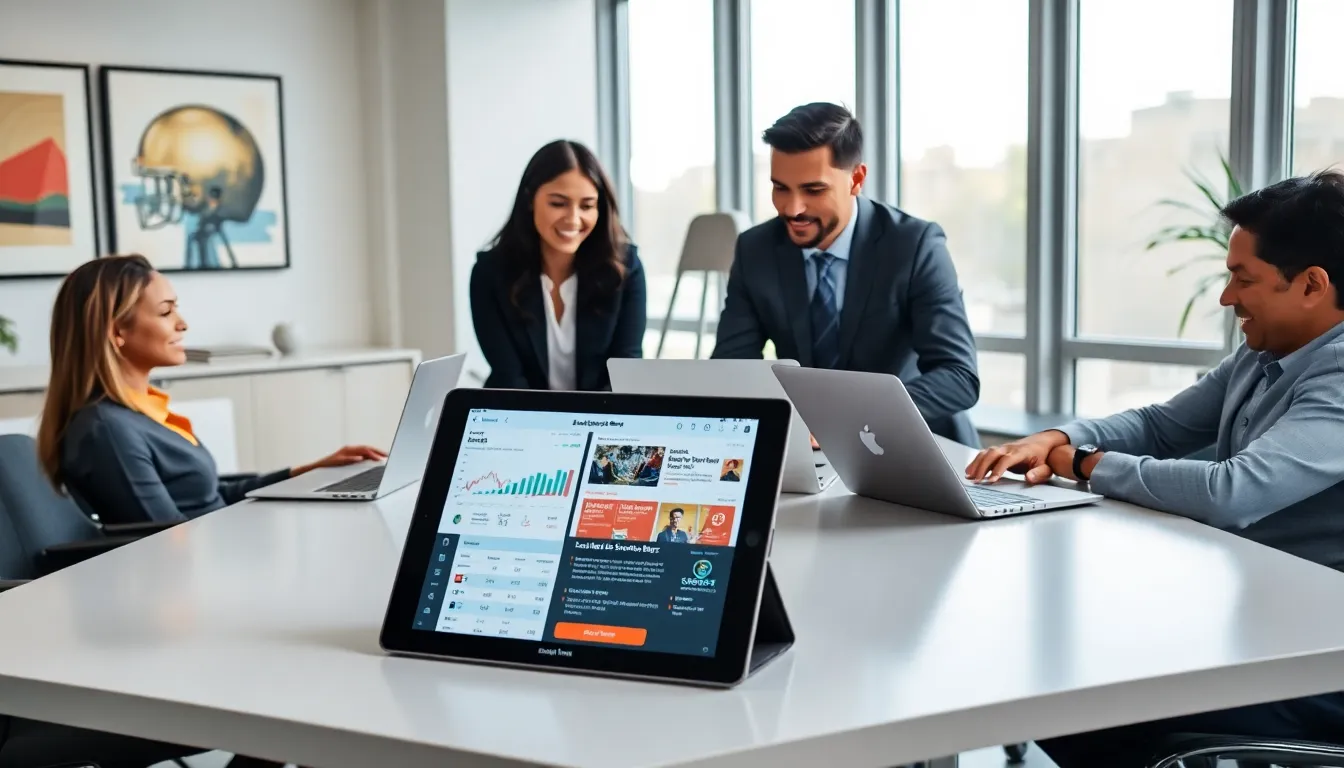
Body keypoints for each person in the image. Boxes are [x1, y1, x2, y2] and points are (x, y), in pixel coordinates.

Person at [965, 170, 1344, 767]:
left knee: (1075, 705)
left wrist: (1084, 463)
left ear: (1312, 285)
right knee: (1057, 683)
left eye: (1243, 279)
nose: (1225, 298)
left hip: (1315, 666)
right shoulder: (1263, 351)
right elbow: (1161, 425)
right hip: (1255, 626)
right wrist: (1059, 437)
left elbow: (1233, 492)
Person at [36, 255, 386, 525]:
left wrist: (309, 470)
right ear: (117, 333)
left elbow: (212, 495)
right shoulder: (108, 430)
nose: (182, 322)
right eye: (165, 311)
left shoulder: (141, 412)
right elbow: (165, 539)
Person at [711, 103, 980, 445]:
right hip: (808, 451)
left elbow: (958, 376)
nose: (792, 209)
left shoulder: (914, 245)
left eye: (813, 190)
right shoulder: (756, 250)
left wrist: (844, 423)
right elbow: (732, 369)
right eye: (780, 188)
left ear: (856, 179)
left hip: (917, 446)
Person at [470, 139, 646, 391]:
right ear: (530, 200)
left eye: (587, 206)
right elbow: (510, 378)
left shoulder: (626, 269)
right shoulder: (489, 273)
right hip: (519, 416)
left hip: (603, 418)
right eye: (558, 203)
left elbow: (625, 372)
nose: (573, 219)